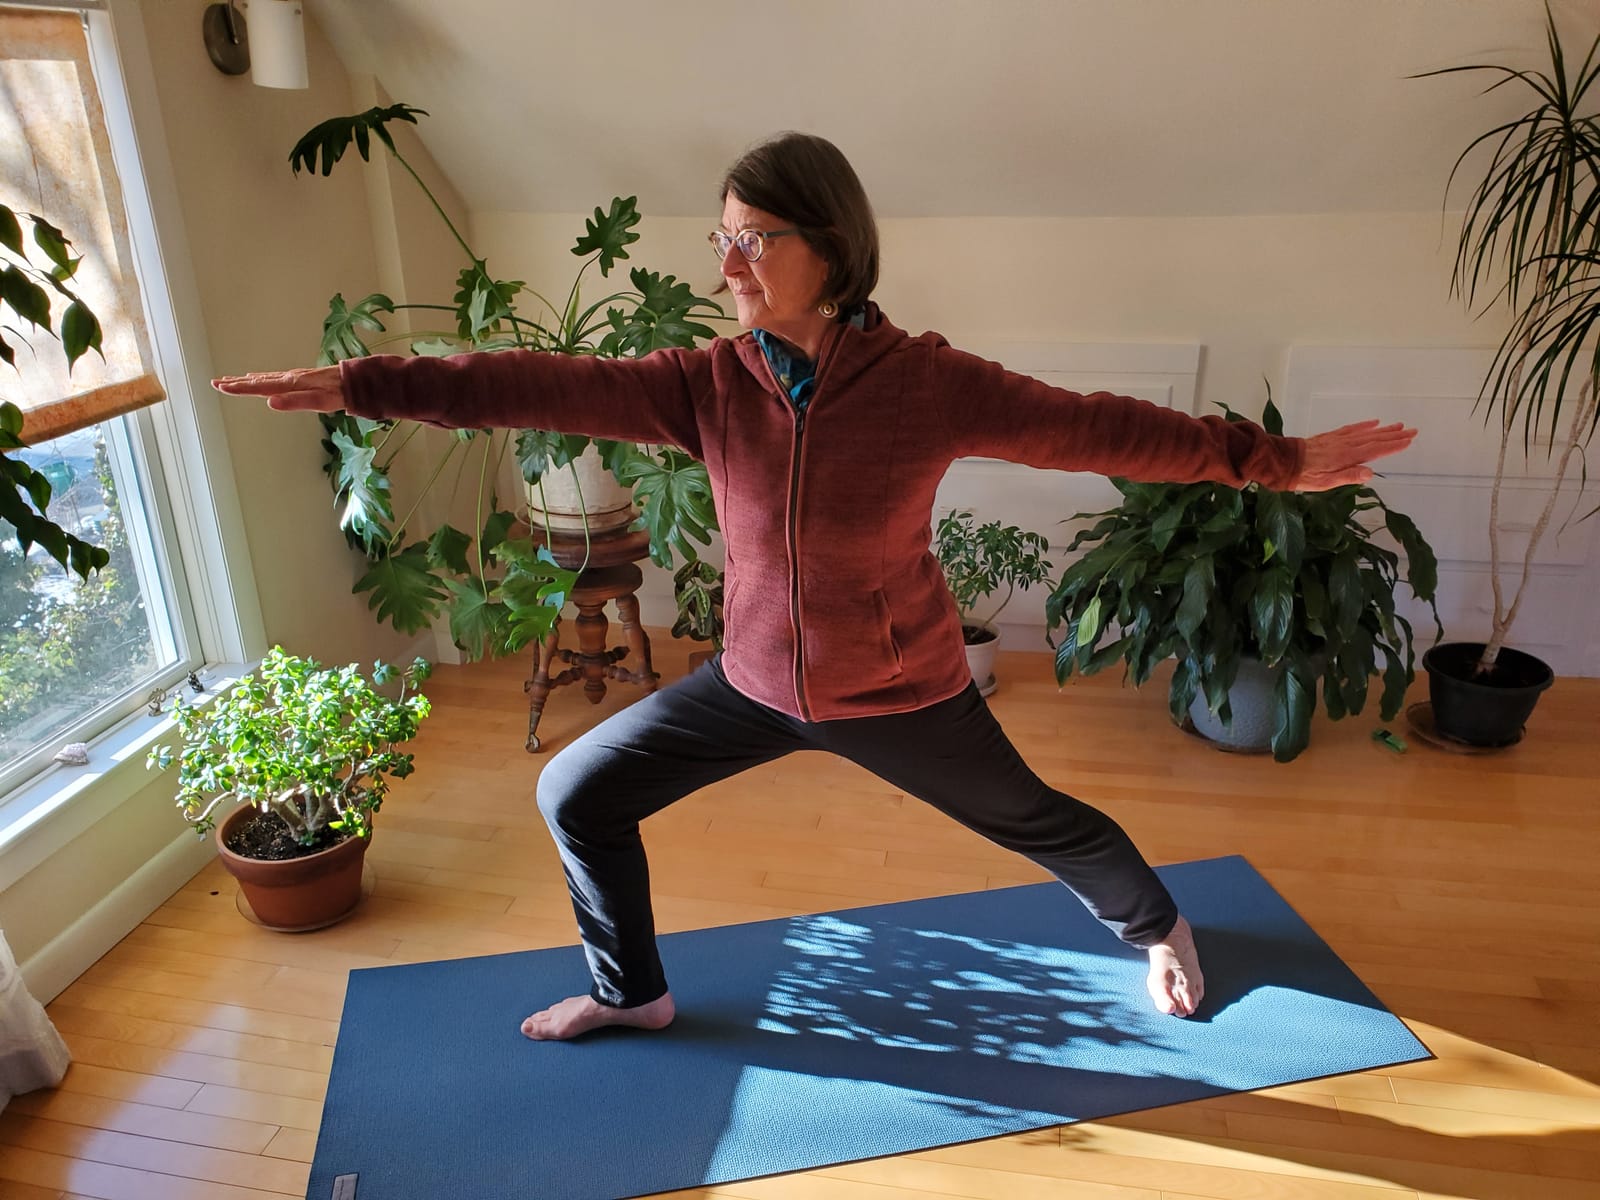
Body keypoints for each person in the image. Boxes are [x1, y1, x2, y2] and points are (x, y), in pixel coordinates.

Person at [216, 132, 1415, 1041]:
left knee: (1045, 822)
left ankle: (1157, 923)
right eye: (722, 237)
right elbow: (543, 384)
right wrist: (372, 384)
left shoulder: (926, 384)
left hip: (899, 690)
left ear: (830, 251)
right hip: (750, 682)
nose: (729, 263)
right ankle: (631, 995)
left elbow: (1094, 426)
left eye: (756, 240)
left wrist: (1273, 462)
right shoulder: (707, 381)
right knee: (578, 792)